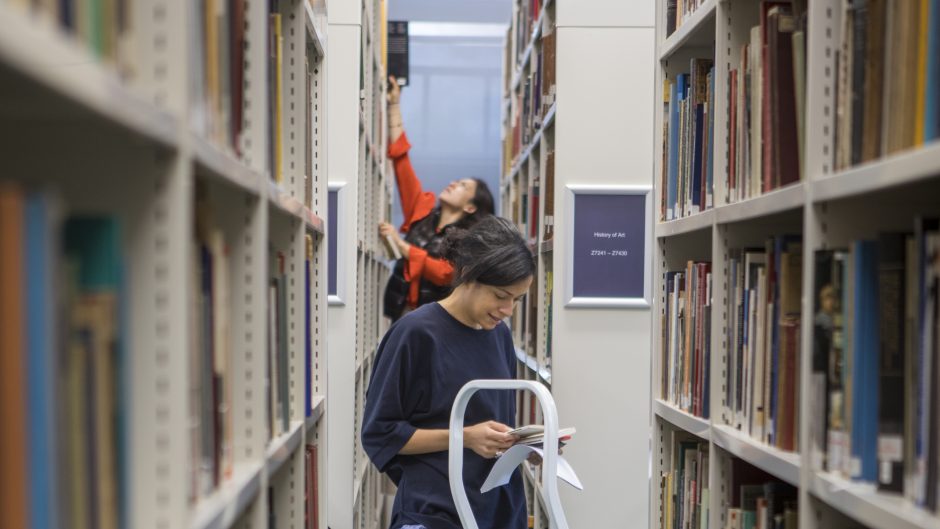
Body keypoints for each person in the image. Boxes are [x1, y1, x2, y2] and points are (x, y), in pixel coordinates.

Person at [362, 216, 534, 529]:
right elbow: (379, 434)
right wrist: (464, 438)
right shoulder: (415, 334)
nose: (508, 310)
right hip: (434, 511)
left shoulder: (500, 335)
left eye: (517, 300)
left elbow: (497, 422)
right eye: (500, 296)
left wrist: (527, 446)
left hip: (499, 510)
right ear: (468, 275)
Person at [381, 76, 496, 321]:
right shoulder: (421, 211)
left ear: (470, 206)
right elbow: (402, 162)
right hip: (401, 315)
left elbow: (447, 274)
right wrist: (393, 106)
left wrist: (402, 247)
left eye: (463, 185)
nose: (453, 183)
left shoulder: (469, 242)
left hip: (439, 324)